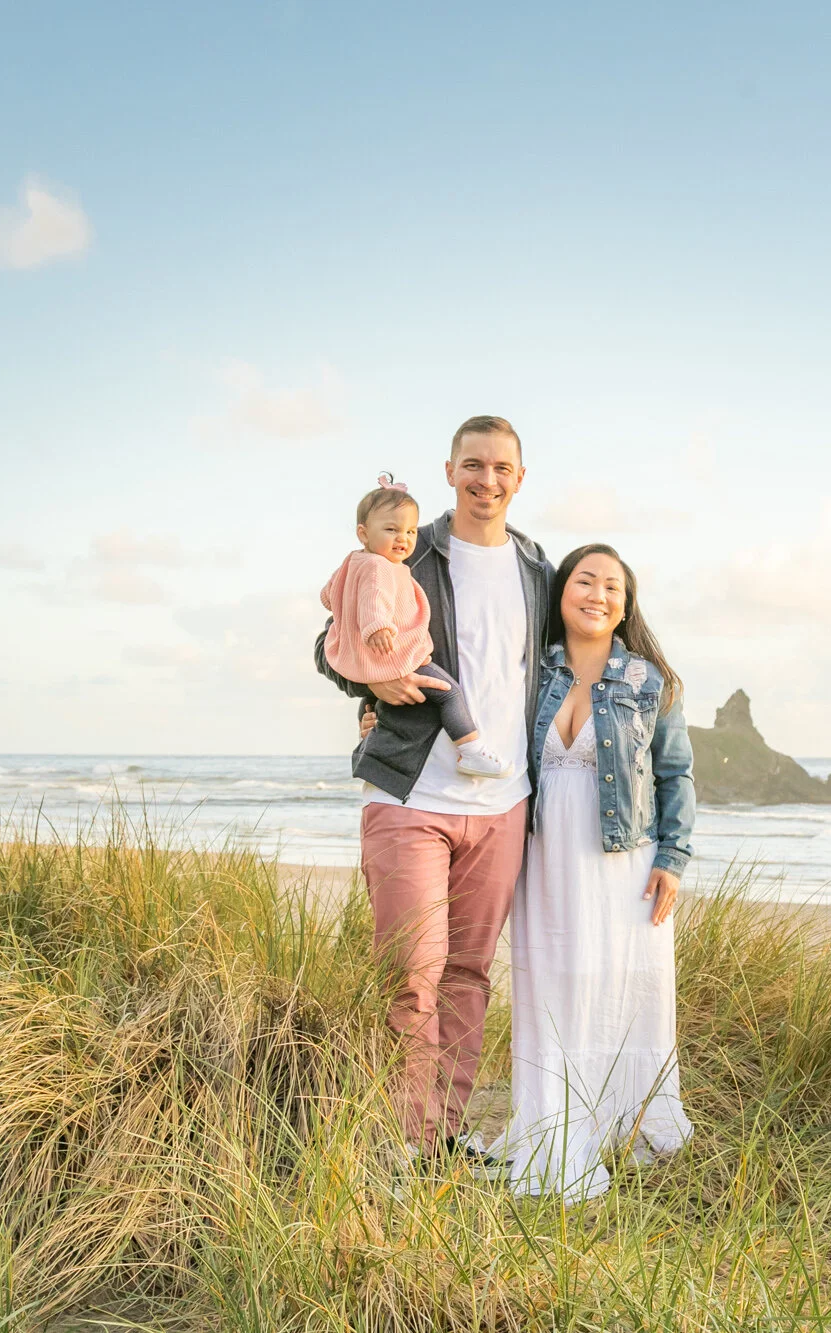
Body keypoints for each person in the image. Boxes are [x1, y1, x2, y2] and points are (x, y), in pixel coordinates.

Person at [314, 416, 552, 1164]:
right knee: (409, 976)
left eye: (502, 467)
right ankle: (397, 1140)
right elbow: (328, 643)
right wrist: (368, 677)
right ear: (450, 470)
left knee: (467, 975)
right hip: (412, 797)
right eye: (473, 464)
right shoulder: (405, 549)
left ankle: (439, 1136)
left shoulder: (539, 568)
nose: (488, 479)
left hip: (503, 803)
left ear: (521, 476)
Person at [492, 543, 696, 1201]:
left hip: (624, 861)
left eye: (614, 586)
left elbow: (676, 773)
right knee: (554, 986)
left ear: (626, 604)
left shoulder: (649, 680)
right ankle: (555, 1125)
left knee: (620, 987)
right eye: (586, 579)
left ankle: (628, 1125)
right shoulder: (530, 674)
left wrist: (673, 858)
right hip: (545, 861)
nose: (598, 594)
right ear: (560, 592)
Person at [319, 475, 513, 779]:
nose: (404, 539)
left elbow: (329, 596)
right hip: (395, 656)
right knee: (449, 693)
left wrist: (348, 608)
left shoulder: (353, 562)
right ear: (363, 533)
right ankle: (473, 751)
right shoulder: (380, 566)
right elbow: (374, 599)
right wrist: (376, 626)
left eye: (410, 531)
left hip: (372, 660)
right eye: (392, 530)